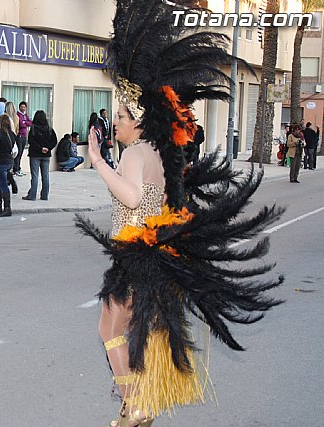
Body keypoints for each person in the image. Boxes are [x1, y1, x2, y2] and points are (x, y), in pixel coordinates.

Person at [75, 1, 284, 426]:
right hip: (150, 254)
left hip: (136, 255)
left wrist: (97, 161)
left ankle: (137, 404)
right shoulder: (158, 151)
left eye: (119, 115)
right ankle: (137, 401)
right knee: (127, 330)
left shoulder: (133, 153)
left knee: (111, 330)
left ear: (136, 120)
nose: (114, 122)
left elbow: (132, 199)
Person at [22, 110, 57, 201]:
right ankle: (44, 195)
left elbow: (31, 141)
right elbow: (54, 141)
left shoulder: (33, 129)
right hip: (46, 155)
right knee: (45, 175)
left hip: (35, 155)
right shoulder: (49, 129)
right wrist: (47, 148)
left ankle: (32, 195)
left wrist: (40, 148)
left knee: (35, 175)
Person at [15, 101, 32, 176]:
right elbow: (21, 124)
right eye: (21, 107)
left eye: (24, 107)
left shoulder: (25, 115)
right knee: (18, 153)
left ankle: (18, 168)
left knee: (21, 153)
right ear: (19, 107)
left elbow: (30, 123)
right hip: (19, 135)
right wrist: (25, 123)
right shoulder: (17, 115)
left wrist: (25, 122)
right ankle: (16, 169)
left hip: (25, 135)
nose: (23, 108)